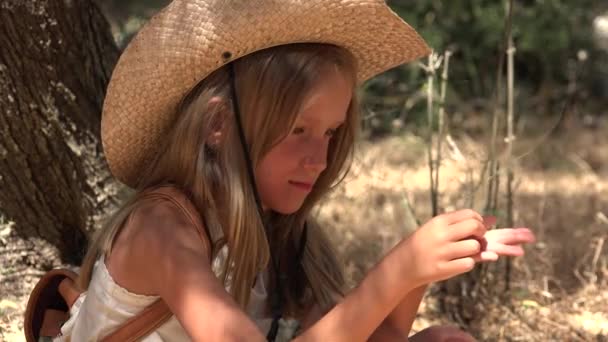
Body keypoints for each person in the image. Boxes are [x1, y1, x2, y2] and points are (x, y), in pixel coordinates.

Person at [57, 0, 536, 341]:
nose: (319, 158)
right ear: (219, 124)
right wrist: (394, 273)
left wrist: (418, 275)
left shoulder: (284, 241)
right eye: (299, 130)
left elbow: (377, 335)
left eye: (330, 133)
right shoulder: (163, 229)